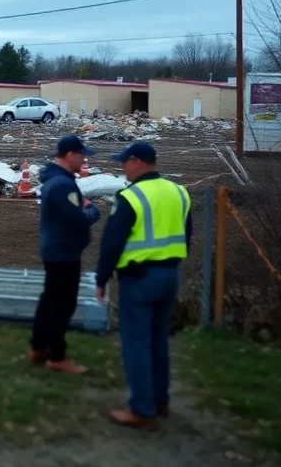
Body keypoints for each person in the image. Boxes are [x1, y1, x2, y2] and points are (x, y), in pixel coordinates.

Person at [95, 141, 192, 430]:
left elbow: (112, 243)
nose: (122, 168)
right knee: (158, 340)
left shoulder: (131, 197)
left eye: (124, 162)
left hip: (138, 280)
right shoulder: (179, 192)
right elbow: (186, 236)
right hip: (169, 275)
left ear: (137, 162)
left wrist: (102, 278)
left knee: (136, 342)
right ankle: (160, 401)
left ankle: (141, 410)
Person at [30, 135, 101, 374]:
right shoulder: (63, 185)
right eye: (82, 155)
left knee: (50, 299)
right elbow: (78, 220)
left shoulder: (55, 181)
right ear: (70, 155)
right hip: (64, 252)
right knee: (62, 305)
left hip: (56, 249)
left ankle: (38, 346)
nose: (84, 160)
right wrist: (92, 211)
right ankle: (57, 356)